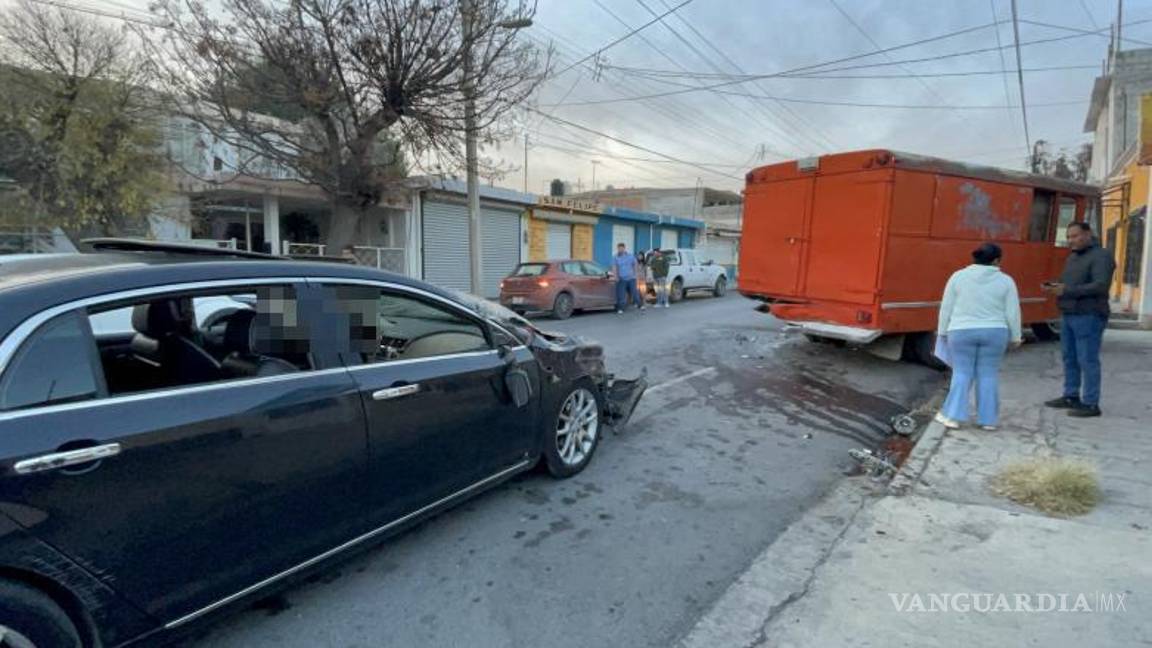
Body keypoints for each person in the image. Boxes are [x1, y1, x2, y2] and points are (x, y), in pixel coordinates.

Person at [935, 242, 1023, 431]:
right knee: (988, 374)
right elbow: (1012, 311)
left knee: (962, 373)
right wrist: (1016, 336)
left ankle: (953, 417)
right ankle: (988, 420)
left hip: (961, 331)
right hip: (995, 332)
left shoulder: (958, 277)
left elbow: (947, 307)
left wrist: (942, 331)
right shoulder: (1006, 281)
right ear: (996, 260)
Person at [1042, 222, 1117, 418]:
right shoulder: (1073, 257)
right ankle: (1071, 395)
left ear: (1088, 234)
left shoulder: (1102, 256)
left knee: (1087, 359)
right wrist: (1056, 287)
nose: (1071, 240)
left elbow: (1100, 286)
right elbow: (1071, 284)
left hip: (1089, 314)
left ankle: (1091, 403)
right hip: (1069, 313)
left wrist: (1066, 290)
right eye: (1068, 237)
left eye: (1075, 236)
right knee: (1069, 357)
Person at [612, 242, 644, 313]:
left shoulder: (630, 256)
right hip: (621, 279)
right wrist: (616, 276)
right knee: (621, 295)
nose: (620, 250)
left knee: (634, 293)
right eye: (619, 248)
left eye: (621, 248)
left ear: (624, 248)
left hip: (631, 278)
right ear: (617, 249)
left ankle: (640, 305)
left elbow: (635, 264)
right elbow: (614, 267)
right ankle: (621, 309)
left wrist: (635, 274)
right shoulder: (615, 257)